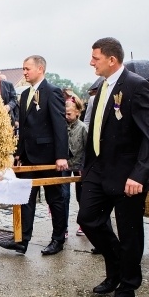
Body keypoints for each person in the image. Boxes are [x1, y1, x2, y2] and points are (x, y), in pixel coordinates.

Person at [77, 37, 149, 297]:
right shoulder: (102, 87)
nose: (91, 62)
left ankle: (126, 290)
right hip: (98, 169)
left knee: (130, 233)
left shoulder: (137, 86)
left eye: (96, 58)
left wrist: (139, 174)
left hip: (128, 175)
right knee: (88, 218)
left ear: (112, 60)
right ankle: (115, 266)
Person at [0, 55, 69, 255]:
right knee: (25, 198)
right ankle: (21, 240)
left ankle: (58, 239)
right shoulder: (25, 94)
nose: (24, 72)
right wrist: (19, 153)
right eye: (23, 69)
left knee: (55, 199)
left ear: (40, 69)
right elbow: (24, 127)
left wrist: (61, 155)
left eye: (27, 69)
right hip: (28, 157)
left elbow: (59, 125)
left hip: (49, 157)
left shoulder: (52, 92)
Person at [65, 96, 87, 238]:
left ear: (77, 112)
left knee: (82, 196)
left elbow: (87, 148)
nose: (66, 116)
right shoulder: (63, 127)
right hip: (65, 165)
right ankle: (63, 226)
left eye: (69, 114)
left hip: (80, 166)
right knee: (63, 196)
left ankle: (83, 224)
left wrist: (84, 166)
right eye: (65, 114)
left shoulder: (83, 128)